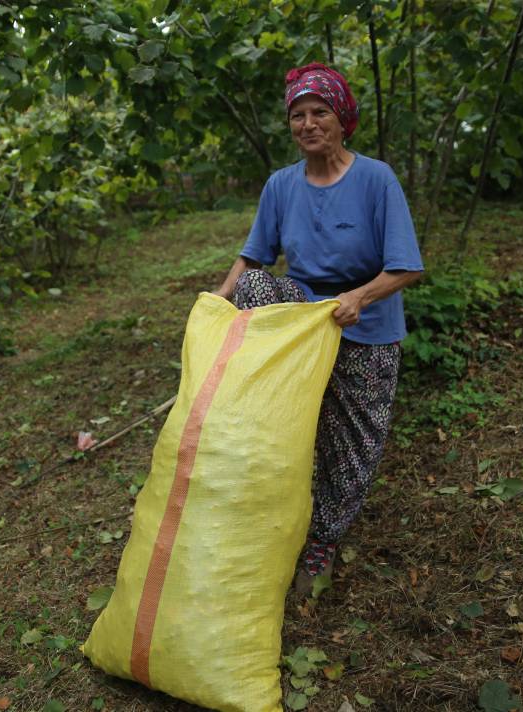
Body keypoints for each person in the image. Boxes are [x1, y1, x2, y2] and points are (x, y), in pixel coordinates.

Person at [212, 62, 424, 594]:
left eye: (319, 112)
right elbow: (252, 259)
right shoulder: (281, 186)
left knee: (352, 445)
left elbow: (407, 266)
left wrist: (358, 296)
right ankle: (259, 504)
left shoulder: (376, 179)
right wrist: (214, 304)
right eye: (297, 115)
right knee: (256, 288)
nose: (307, 124)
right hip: (303, 323)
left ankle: (323, 543)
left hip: (363, 326)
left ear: (342, 119)